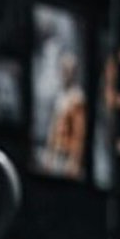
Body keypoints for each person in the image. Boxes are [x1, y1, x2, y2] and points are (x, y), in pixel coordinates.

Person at [43, 48, 87, 177]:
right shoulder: (60, 96)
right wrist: (49, 155)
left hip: (67, 156)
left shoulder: (77, 98)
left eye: (68, 71)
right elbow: (53, 127)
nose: (65, 74)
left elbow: (79, 133)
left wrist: (74, 161)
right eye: (63, 70)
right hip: (57, 153)